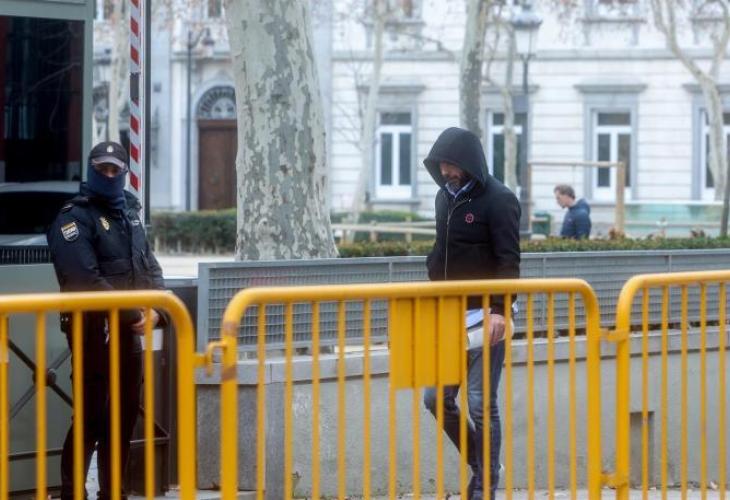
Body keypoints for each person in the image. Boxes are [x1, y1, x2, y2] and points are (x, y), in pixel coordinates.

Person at [47, 141, 165, 500]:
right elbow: (83, 279)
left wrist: (158, 310)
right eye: (103, 169)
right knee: (91, 417)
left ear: (124, 173)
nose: (109, 175)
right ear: (91, 169)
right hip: (92, 332)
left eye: (116, 170)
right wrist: (136, 313)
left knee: (124, 416)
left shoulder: (129, 213)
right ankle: (73, 493)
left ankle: (114, 492)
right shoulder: (73, 218)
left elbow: (150, 266)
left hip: (129, 332)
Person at [422, 127, 521, 500]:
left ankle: (484, 488)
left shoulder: (500, 199)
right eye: (440, 164)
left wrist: (499, 309)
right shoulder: (443, 197)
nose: (445, 171)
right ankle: (484, 466)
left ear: (468, 162)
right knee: (435, 398)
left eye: (450, 164)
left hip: (486, 318)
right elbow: (442, 249)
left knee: (480, 403)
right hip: (450, 314)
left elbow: (509, 260)